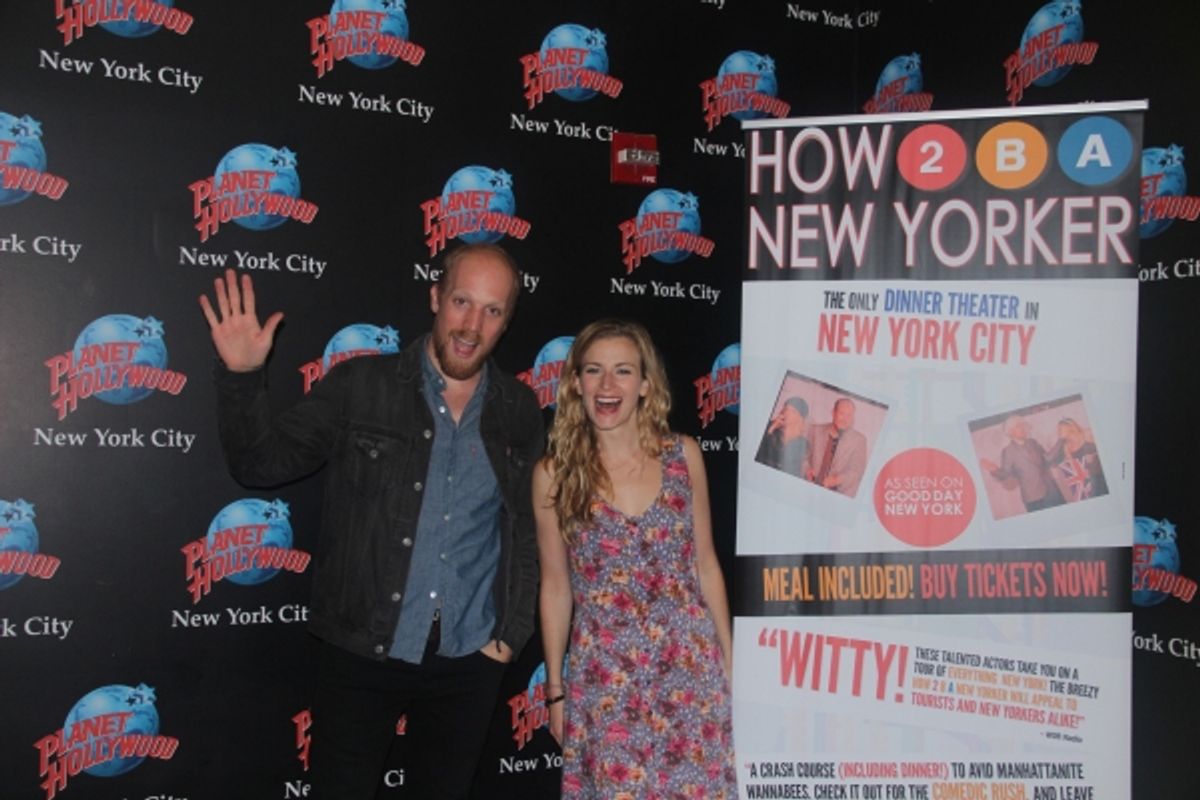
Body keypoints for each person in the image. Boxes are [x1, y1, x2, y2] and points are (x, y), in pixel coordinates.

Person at [198, 243, 544, 799]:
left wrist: (510, 634)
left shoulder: (520, 411)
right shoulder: (360, 385)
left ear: (506, 321)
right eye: (461, 300)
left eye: (492, 310)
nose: (472, 324)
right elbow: (259, 465)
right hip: (361, 652)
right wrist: (241, 377)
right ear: (435, 297)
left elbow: (528, 533)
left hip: (468, 659)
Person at [534, 319, 736, 799]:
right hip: (606, 682)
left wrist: (729, 662)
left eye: (623, 371)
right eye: (594, 371)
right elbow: (556, 587)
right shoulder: (554, 476)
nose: (607, 385)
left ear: (645, 385)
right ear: (576, 383)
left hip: (689, 671)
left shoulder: (683, 456)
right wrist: (556, 690)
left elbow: (705, 564)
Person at [980, 415, 1064, 513]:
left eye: (1022, 425)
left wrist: (1061, 439)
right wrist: (993, 469)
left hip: (1052, 491)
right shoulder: (1008, 451)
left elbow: (1048, 459)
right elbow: (1005, 474)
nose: (1022, 428)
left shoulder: (1033, 442)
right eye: (1018, 426)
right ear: (1010, 432)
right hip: (1034, 499)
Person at [804, 397, 868, 496]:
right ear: (833, 413)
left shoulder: (859, 440)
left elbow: (857, 470)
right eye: (842, 414)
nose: (845, 419)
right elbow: (802, 456)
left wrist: (838, 479)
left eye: (849, 416)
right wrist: (807, 470)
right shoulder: (815, 430)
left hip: (836, 494)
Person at [1048, 417, 1108, 501]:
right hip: (1081, 491)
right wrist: (1059, 440)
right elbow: (1050, 460)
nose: (1057, 432)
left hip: (1098, 485)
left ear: (1069, 428)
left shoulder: (1087, 440)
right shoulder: (1064, 446)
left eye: (1060, 429)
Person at [755, 396, 810, 477]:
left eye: (793, 411)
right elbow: (758, 453)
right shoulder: (769, 427)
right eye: (786, 409)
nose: (787, 413)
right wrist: (771, 429)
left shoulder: (803, 443)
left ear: (800, 418)